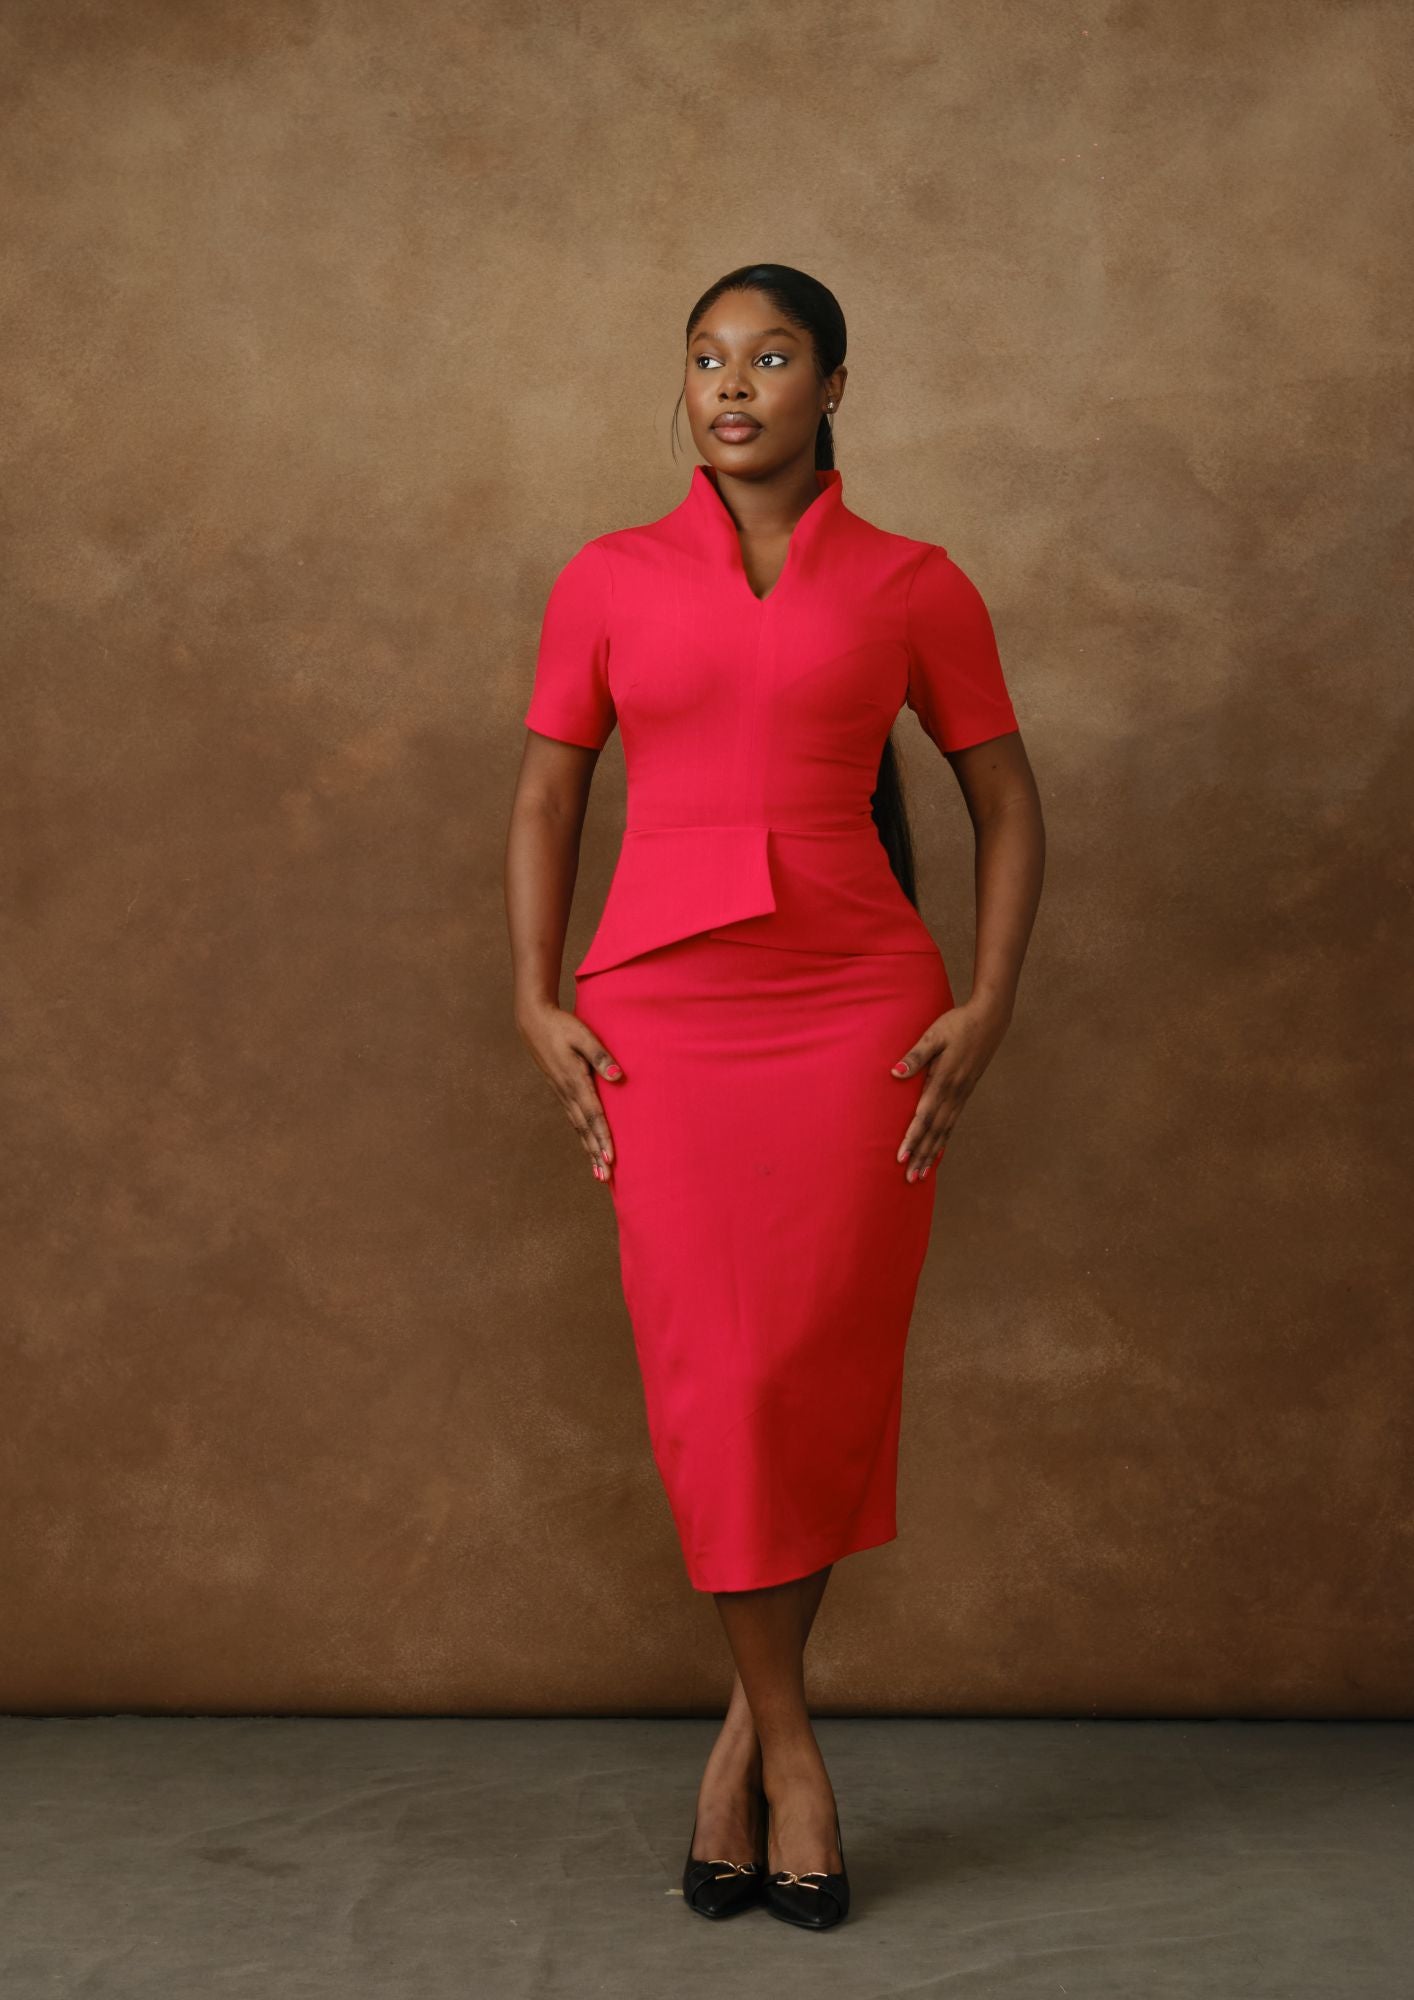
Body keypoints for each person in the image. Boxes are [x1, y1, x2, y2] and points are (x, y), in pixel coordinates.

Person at [505, 263, 1045, 1929]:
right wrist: (533, 996)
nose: (731, 384)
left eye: (771, 355)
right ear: (681, 390)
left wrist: (988, 1004)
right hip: (661, 1016)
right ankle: (792, 1743)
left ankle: (748, 1745)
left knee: (809, 1373)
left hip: (853, 1017)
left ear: (832, 388)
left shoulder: (910, 582)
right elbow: (544, 795)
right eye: (704, 358)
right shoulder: (603, 577)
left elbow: (1007, 808)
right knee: (717, 1385)